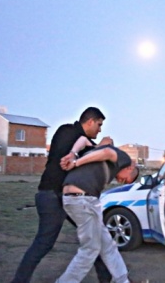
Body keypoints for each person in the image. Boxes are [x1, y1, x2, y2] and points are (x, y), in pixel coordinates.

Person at [12, 107, 113, 283]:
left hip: (70, 199)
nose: (100, 129)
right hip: (52, 196)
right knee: (43, 243)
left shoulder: (84, 141)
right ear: (90, 121)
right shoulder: (67, 132)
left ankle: (109, 279)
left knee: (94, 238)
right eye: (99, 124)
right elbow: (69, 158)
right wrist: (101, 147)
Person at [56, 136, 139, 283]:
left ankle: (122, 279)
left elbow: (83, 139)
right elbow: (107, 150)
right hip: (83, 199)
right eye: (126, 179)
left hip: (73, 198)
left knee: (107, 244)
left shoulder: (96, 151)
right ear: (130, 168)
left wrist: (73, 153)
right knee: (90, 249)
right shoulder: (124, 157)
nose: (121, 181)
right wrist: (75, 162)